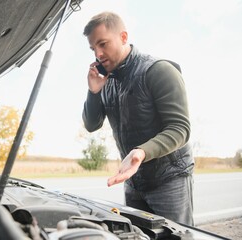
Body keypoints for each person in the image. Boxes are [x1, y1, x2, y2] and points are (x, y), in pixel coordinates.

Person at [82, 11, 194, 226]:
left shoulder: (159, 70)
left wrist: (142, 152)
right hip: (133, 180)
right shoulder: (107, 81)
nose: (98, 54)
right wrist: (93, 92)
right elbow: (91, 125)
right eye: (93, 48)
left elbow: (180, 128)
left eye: (103, 44)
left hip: (170, 179)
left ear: (123, 37)